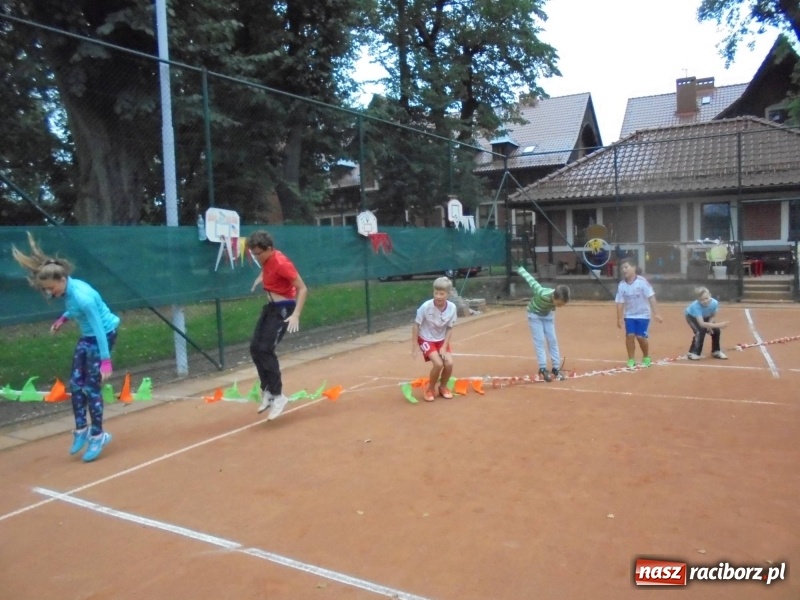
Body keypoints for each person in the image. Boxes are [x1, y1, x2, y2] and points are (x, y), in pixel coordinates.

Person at [12, 232, 120, 462]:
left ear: (62, 280)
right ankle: (81, 429)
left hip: (103, 335)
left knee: (91, 388)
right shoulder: (69, 292)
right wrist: (62, 320)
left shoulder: (84, 297)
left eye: (51, 288)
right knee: (76, 384)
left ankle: (99, 434)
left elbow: (100, 328)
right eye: (47, 289)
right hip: (87, 336)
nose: (50, 293)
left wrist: (105, 361)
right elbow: (72, 309)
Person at [247, 230, 308, 420]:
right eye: (254, 254)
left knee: (266, 348)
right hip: (271, 307)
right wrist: (262, 277)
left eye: (259, 253)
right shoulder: (266, 260)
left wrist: (296, 314)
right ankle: (267, 391)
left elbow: (302, 288)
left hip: (284, 309)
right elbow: (267, 267)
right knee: (255, 348)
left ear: (269, 249)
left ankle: (279, 396)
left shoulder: (282, 263)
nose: (256, 257)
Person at [516, 265, 571, 381]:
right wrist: (521, 269)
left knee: (552, 340)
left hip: (547, 315)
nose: (560, 306)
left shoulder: (555, 301)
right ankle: (542, 369)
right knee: (540, 341)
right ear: (554, 297)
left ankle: (556, 368)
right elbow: (531, 281)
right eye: (560, 304)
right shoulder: (542, 293)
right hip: (534, 315)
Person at [411, 277, 457, 402]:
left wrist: (444, 346)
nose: (438, 296)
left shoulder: (452, 308)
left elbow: (449, 328)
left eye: (442, 293)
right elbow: (416, 325)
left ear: (448, 294)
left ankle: (443, 387)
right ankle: (430, 389)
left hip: (441, 340)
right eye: (436, 293)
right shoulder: (426, 307)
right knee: (438, 364)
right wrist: (415, 345)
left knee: (449, 364)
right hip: (426, 338)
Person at [615, 257, 663, 368]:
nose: (624, 270)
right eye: (622, 268)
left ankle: (646, 356)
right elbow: (620, 302)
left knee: (640, 337)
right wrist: (619, 318)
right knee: (630, 336)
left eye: (626, 267)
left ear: (634, 268)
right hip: (629, 315)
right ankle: (631, 359)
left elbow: (651, 297)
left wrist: (656, 313)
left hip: (643, 315)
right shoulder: (621, 285)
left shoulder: (642, 282)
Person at [684, 286, 729, 360]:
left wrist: (711, 325)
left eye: (707, 298)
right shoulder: (696, 306)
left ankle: (716, 351)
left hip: (705, 316)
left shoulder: (714, 303)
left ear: (710, 295)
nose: (705, 301)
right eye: (702, 300)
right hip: (692, 317)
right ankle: (693, 353)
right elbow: (702, 324)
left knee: (716, 330)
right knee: (700, 331)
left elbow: (712, 315)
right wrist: (718, 325)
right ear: (698, 300)